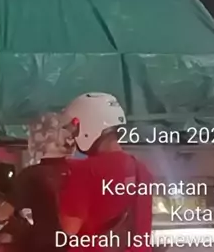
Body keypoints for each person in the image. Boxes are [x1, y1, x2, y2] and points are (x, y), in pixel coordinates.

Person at [59, 92, 153, 252]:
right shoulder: (142, 169)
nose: (73, 137)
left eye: (75, 129)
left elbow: (70, 227)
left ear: (88, 126)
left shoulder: (84, 171)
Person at [0, 112, 74, 251]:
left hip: (42, 246)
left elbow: (3, 213)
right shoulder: (79, 171)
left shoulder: (31, 175)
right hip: (76, 245)